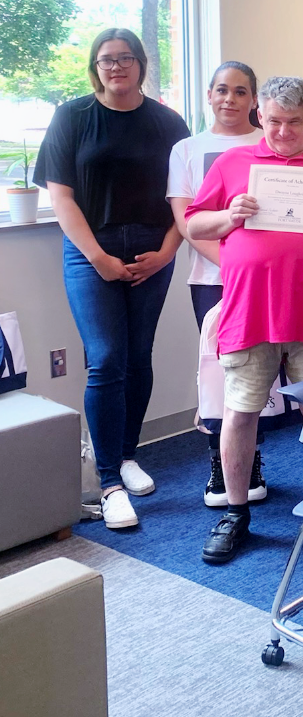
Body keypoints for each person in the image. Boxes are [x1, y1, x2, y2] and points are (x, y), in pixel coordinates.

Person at [186, 76, 303, 564]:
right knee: (240, 411)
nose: (283, 132)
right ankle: (235, 512)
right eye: (272, 122)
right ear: (259, 117)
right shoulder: (233, 163)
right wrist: (229, 216)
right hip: (251, 309)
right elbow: (193, 223)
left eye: (293, 122)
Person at [33, 28, 190, 530]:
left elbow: (185, 199)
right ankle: (109, 484)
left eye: (125, 58)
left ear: (141, 63)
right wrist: (98, 256)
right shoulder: (72, 117)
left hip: (151, 247)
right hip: (89, 251)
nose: (116, 67)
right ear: (94, 67)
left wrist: (167, 252)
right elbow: (62, 198)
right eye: (106, 60)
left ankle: (126, 455)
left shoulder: (168, 122)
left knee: (137, 355)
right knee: (105, 359)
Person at [167, 60, 268, 508]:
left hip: (268, 280)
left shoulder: (271, 142)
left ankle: (255, 457)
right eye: (222, 90)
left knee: (266, 371)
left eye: (241, 91)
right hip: (213, 279)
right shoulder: (187, 149)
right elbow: (188, 220)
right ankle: (219, 460)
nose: (230, 99)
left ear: (254, 101)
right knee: (219, 375)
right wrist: (232, 266)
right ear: (209, 95)